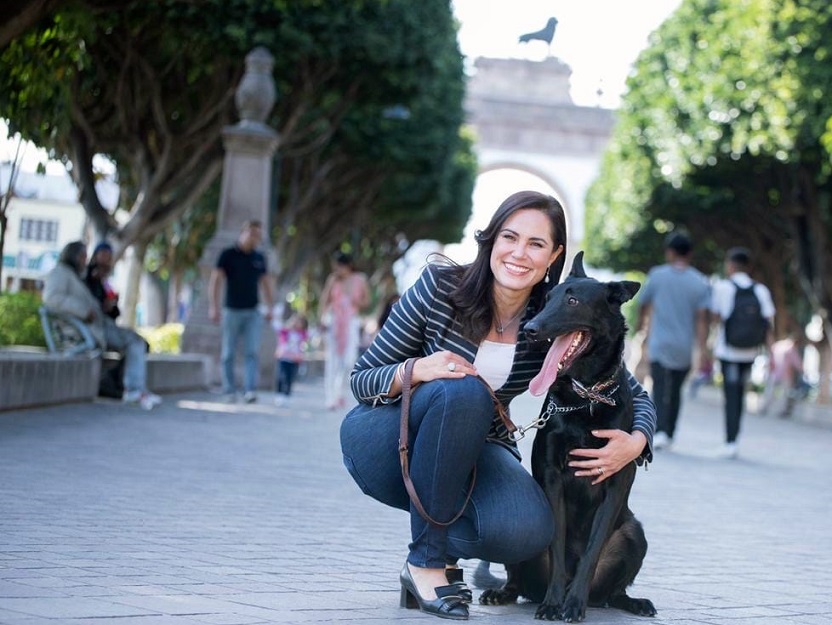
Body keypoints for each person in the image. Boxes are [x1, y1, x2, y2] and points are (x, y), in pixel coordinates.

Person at [339, 190, 656, 621]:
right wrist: (416, 369)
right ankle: (427, 563)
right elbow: (361, 379)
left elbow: (630, 390)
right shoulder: (439, 288)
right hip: (388, 437)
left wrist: (637, 441)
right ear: (491, 239)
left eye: (536, 244)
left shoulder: (549, 317)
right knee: (462, 390)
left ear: (554, 255)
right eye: (510, 236)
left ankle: (445, 545)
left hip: (476, 451)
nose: (519, 253)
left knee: (527, 530)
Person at [43, 241, 161, 410]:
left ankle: (134, 389)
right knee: (135, 342)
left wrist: (105, 306)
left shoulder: (80, 276)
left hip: (96, 326)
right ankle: (133, 390)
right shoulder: (61, 273)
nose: (85, 260)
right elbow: (52, 299)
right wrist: (84, 311)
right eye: (83, 256)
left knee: (138, 342)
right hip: (82, 330)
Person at [637, 231, 710, 450]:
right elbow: (702, 319)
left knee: (658, 386)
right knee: (676, 390)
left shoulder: (657, 275)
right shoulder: (700, 281)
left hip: (660, 342)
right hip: (684, 345)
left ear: (670, 252)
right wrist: (702, 346)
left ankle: (657, 430)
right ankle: (669, 433)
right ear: (689, 253)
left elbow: (643, 303)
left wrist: (641, 326)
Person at [709, 247, 775, 459]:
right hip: (750, 352)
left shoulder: (723, 287)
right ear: (748, 266)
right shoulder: (761, 290)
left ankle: (730, 442)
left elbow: (716, 318)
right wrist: (772, 355)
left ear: (730, 265)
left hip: (728, 351)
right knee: (741, 394)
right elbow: (768, 324)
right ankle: (734, 439)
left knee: (731, 396)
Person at [209, 220, 275, 403]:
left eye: (258, 236)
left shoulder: (259, 258)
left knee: (252, 352)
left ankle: (250, 390)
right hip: (232, 310)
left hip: (253, 311)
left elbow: (266, 283)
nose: (255, 239)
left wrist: (270, 307)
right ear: (243, 232)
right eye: (252, 234)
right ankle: (229, 389)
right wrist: (214, 306)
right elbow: (216, 281)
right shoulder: (228, 254)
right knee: (228, 352)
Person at [319, 252, 370, 410]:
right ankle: (330, 398)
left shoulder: (360, 279)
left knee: (349, 361)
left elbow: (367, 301)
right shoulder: (333, 279)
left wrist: (355, 301)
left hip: (351, 322)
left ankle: (339, 392)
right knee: (332, 361)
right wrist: (321, 319)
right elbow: (325, 300)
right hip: (334, 322)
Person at [762, 331, 805, 418]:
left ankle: (764, 408)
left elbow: (770, 358)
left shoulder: (777, 345)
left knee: (770, 391)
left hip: (774, 373)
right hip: (785, 374)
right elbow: (796, 362)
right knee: (784, 393)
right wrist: (803, 370)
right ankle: (782, 411)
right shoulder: (790, 348)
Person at [274, 313, 308, 406]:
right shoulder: (284, 332)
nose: (295, 323)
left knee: (289, 378)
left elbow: (309, 336)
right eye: (294, 321)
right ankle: (279, 394)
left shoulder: (301, 335)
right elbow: (275, 325)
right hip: (283, 358)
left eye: (298, 322)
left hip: (294, 360)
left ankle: (287, 395)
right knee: (281, 377)